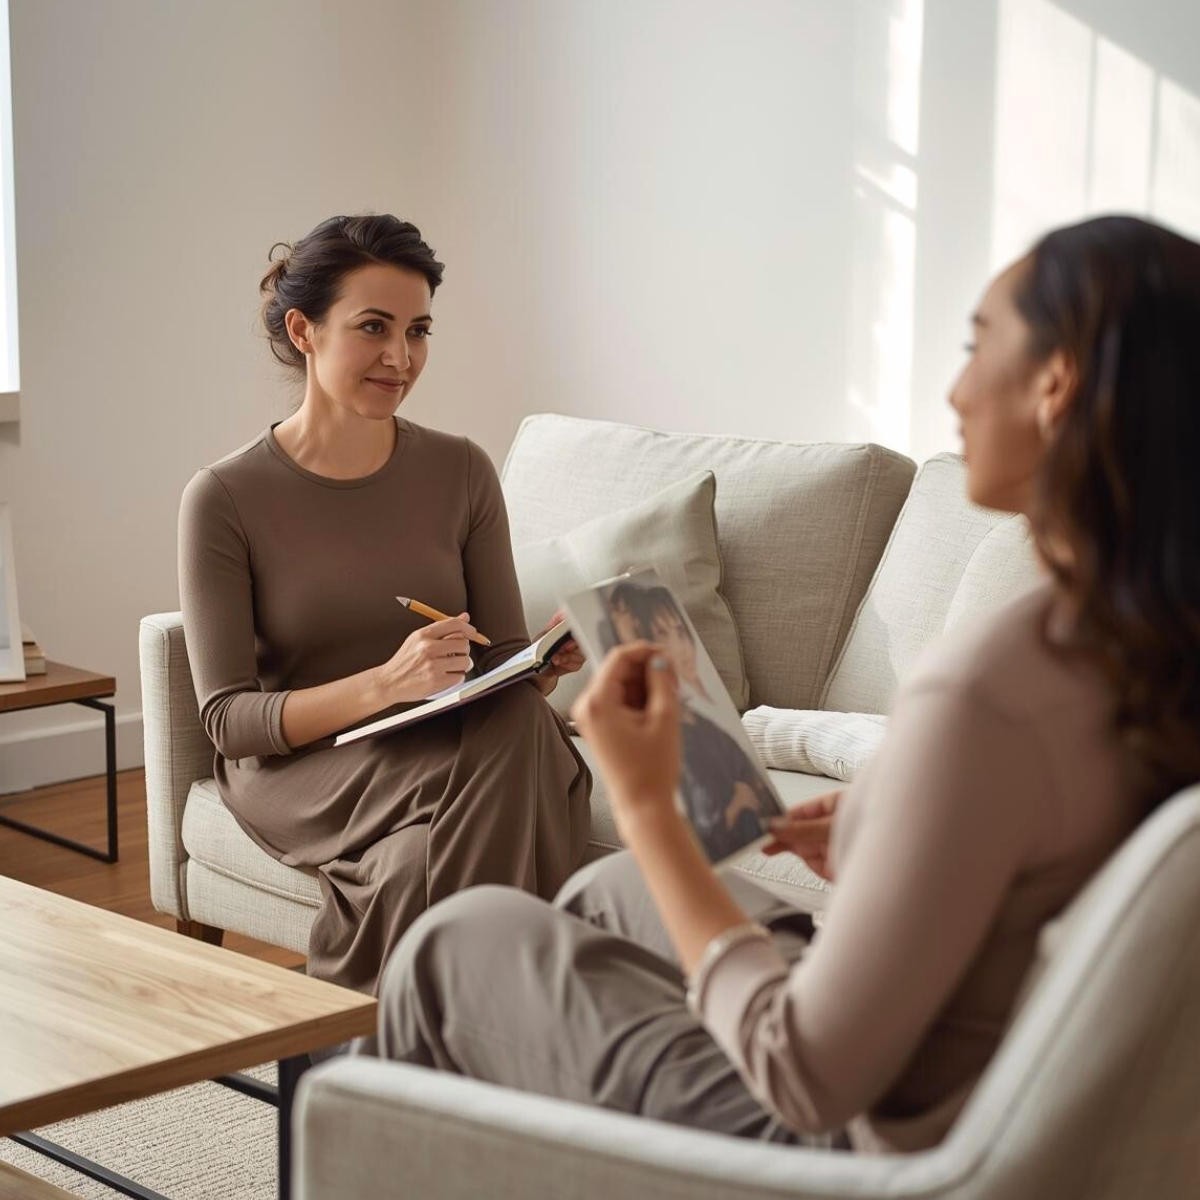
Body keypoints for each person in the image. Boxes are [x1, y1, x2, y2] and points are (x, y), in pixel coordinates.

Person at [373, 215, 1200, 1151]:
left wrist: (650, 811)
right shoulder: (1145, 637)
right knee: (607, 895)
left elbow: (804, 1076)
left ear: (1057, 387)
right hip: (990, 1067)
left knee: (455, 945)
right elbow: (1063, 853)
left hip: (875, 1137)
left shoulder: (992, 688)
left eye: (978, 344)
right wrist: (906, 836)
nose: (957, 388)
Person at [178, 214, 591, 995]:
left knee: (426, 845)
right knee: (523, 734)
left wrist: (540, 666)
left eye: (419, 330)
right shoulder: (225, 497)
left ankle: (375, 1056)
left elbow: (497, 663)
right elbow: (228, 720)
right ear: (305, 330)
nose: (401, 358)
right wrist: (383, 686)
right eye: (374, 327)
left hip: (442, 747)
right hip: (301, 768)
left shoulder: (461, 470)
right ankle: (503, 1032)